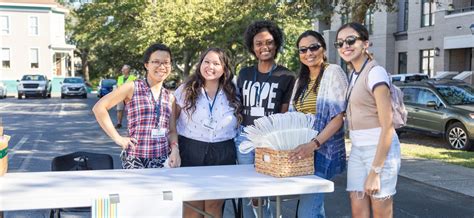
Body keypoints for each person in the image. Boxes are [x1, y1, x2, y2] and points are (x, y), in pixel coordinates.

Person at [335, 22, 401, 218]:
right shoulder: (354, 74)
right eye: (339, 43)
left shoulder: (375, 72)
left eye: (350, 40)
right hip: (357, 149)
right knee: (358, 211)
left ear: (365, 44)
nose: (345, 46)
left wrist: (376, 171)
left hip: (380, 151)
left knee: (381, 212)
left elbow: (387, 126)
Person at [169, 48, 241, 218]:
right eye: (206, 62)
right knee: (193, 204)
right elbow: (172, 124)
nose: (210, 66)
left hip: (223, 152)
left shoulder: (234, 91)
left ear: (224, 68)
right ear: (200, 64)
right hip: (191, 149)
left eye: (216, 63)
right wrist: (174, 148)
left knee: (214, 204)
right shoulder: (186, 89)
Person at [235, 20, 295, 218]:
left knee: (269, 187)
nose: (264, 47)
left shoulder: (286, 75)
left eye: (269, 42)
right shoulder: (244, 74)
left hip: (271, 140)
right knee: (251, 189)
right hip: (245, 138)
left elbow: (284, 113)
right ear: (252, 47)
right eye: (258, 43)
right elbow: (238, 106)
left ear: (276, 44)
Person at [287, 30, 348, 218]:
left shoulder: (333, 72)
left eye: (313, 47)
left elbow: (338, 117)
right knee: (312, 206)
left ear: (323, 48)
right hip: (303, 152)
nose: (309, 53)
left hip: (321, 149)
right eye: (303, 50)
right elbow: (293, 116)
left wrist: (313, 144)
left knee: (308, 210)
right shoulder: (301, 81)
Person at [93, 43, 180, 169]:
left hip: (163, 160)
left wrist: (175, 149)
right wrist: (118, 138)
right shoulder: (133, 87)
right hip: (135, 159)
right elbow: (99, 108)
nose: (161, 66)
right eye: (156, 61)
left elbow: (172, 131)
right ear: (146, 65)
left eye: (166, 62)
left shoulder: (169, 97)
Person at [115, 64, 137, 129]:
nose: (123, 70)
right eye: (122, 69)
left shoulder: (133, 77)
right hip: (121, 96)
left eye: (124, 69)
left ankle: (131, 124)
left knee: (130, 110)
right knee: (119, 110)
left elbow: (134, 86)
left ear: (128, 70)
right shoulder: (120, 78)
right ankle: (119, 123)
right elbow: (118, 86)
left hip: (129, 96)